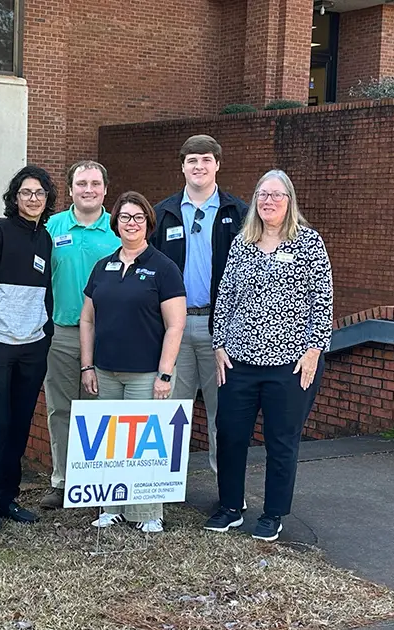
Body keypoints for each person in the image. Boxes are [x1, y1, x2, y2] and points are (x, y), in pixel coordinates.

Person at [204, 169, 333, 542]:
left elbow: (321, 303)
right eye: (263, 194)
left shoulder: (308, 243)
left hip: (290, 365)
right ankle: (230, 506)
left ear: (289, 201)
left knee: (281, 440)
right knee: (230, 434)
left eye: (277, 195)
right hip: (239, 362)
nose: (269, 201)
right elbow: (225, 296)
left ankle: (273, 513)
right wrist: (219, 345)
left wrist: (313, 352)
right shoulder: (242, 244)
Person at [79, 192, 186, 533]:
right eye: (125, 217)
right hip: (106, 371)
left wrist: (165, 373)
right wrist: (87, 365)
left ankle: (148, 512)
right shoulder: (103, 266)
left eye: (138, 217)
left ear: (149, 223)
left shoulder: (163, 268)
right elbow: (87, 320)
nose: (131, 223)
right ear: (116, 223)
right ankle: (111, 507)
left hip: (146, 374)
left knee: (143, 444)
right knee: (112, 442)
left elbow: (175, 324)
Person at [149, 135, 248, 474]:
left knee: (225, 412)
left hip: (221, 329)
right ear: (182, 167)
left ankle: (227, 489)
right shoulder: (162, 214)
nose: (199, 166)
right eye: (192, 160)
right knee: (171, 410)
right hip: (174, 329)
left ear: (217, 164)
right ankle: (163, 486)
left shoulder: (239, 214)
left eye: (206, 159)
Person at [0, 165, 56, 533]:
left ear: (46, 200)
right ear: (14, 197)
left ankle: (9, 498)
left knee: (20, 425)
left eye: (39, 193)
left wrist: (46, 333)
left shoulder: (47, 240)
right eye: (26, 192)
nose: (33, 199)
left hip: (33, 346)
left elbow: (47, 291)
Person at [39, 160, 121, 510]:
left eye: (95, 183)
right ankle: (62, 480)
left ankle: (94, 482)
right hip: (61, 333)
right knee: (61, 409)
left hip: (107, 336)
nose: (88, 189)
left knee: (99, 411)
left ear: (105, 189)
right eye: (81, 183)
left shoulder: (119, 230)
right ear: (70, 189)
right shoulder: (51, 227)